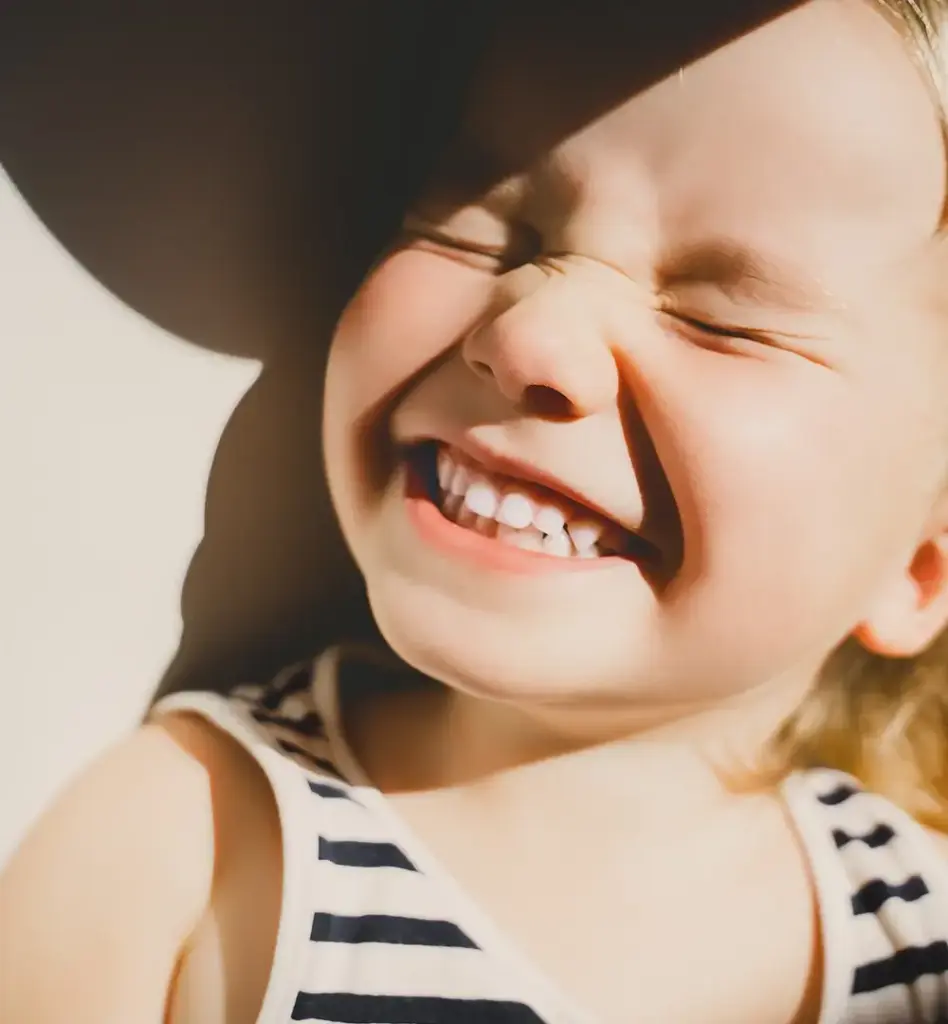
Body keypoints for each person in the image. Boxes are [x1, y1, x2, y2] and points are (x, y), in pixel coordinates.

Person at [4, 2, 948, 1021]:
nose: (533, 333)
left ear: (922, 568)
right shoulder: (193, 841)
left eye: (721, 320)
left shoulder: (924, 934)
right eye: (486, 232)